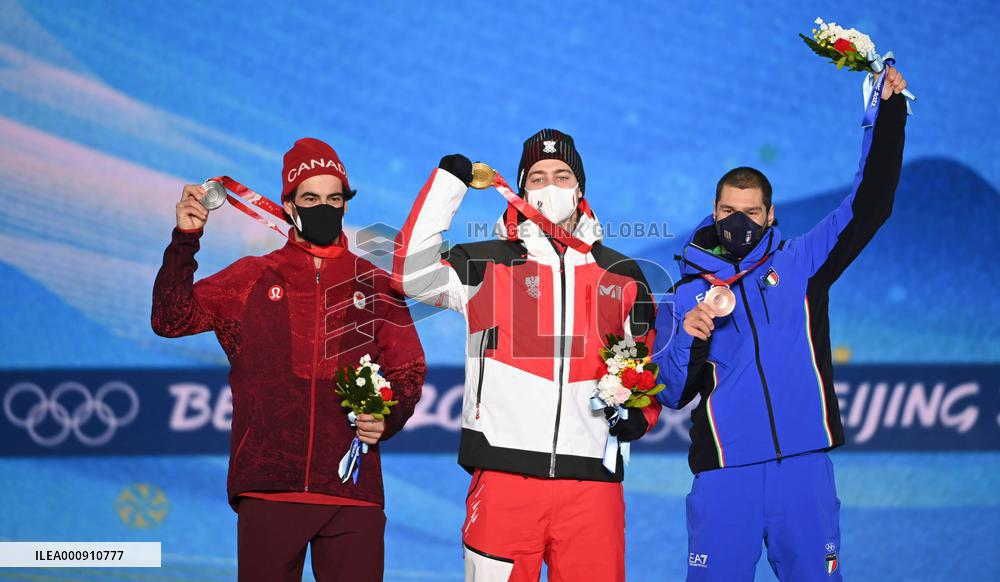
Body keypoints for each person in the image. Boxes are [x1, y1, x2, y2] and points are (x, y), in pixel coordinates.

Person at [652, 68, 909, 580]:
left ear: (771, 215)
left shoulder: (802, 261)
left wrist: (888, 116)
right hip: (726, 473)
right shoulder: (682, 295)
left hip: (803, 468)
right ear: (713, 211)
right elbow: (672, 393)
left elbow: (869, 204)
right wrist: (687, 339)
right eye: (729, 211)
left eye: (751, 212)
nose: (739, 221)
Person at [152, 137, 426, 582]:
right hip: (268, 488)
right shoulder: (252, 277)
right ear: (288, 205)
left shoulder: (375, 284)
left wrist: (387, 416)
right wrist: (186, 239)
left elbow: (408, 369)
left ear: (346, 205)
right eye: (311, 198)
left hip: (351, 493)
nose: (324, 208)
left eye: (334, 199)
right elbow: (170, 319)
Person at [393, 129, 660, 581]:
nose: (551, 186)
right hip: (503, 477)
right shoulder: (484, 264)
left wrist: (641, 414)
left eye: (562, 175)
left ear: (581, 189)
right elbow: (410, 275)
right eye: (537, 177)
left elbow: (642, 367)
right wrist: (447, 186)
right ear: (519, 190)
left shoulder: (623, 274)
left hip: (592, 488)